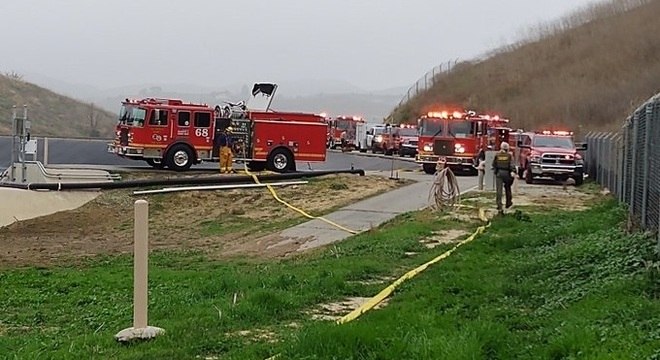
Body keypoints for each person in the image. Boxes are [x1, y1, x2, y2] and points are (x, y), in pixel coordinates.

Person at [492, 141, 515, 214]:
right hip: (507, 173)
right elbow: (511, 165)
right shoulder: (509, 155)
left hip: (499, 173)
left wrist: (495, 171)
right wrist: (513, 171)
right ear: (507, 148)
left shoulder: (497, 155)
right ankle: (508, 202)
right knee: (507, 188)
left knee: (499, 190)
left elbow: (493, 164)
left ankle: (499, 205)